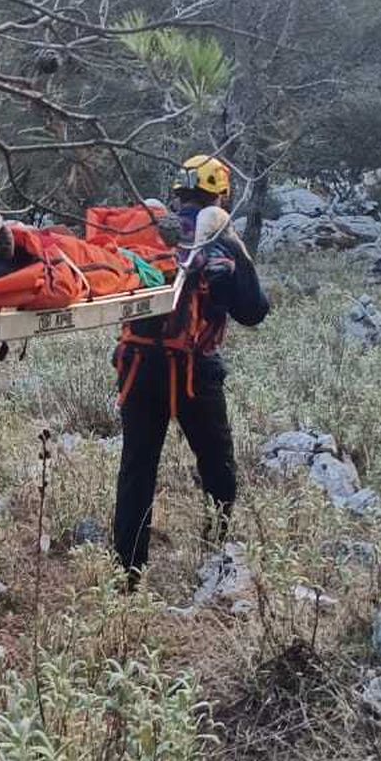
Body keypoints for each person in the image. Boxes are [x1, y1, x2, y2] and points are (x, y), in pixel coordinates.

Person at [112, 153, 269, 581]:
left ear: (179, 191)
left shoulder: (148, 236)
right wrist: (236, 246)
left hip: (137, 367)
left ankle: (126, 575)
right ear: (219, 193)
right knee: (217, 466)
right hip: (194, 371)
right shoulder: (216, 239)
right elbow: (254, 311)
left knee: (137, 470)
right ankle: (214, 552)